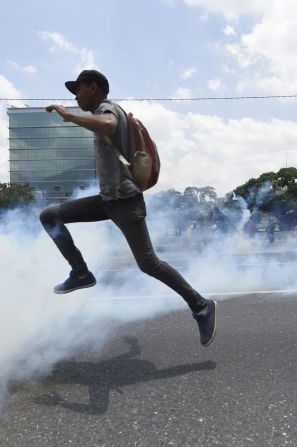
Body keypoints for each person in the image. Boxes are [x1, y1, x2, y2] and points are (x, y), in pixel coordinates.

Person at [41, 70, 216, 347]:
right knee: (50, 215)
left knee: (149, 264)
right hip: (108, 200)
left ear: (94, 88)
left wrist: (69, 116)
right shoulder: (102, 109)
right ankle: (81, 273)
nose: (75, 96)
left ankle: (201, 305)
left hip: (125, 202)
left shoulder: (107, 109)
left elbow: (108, 125)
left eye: (79, 89)